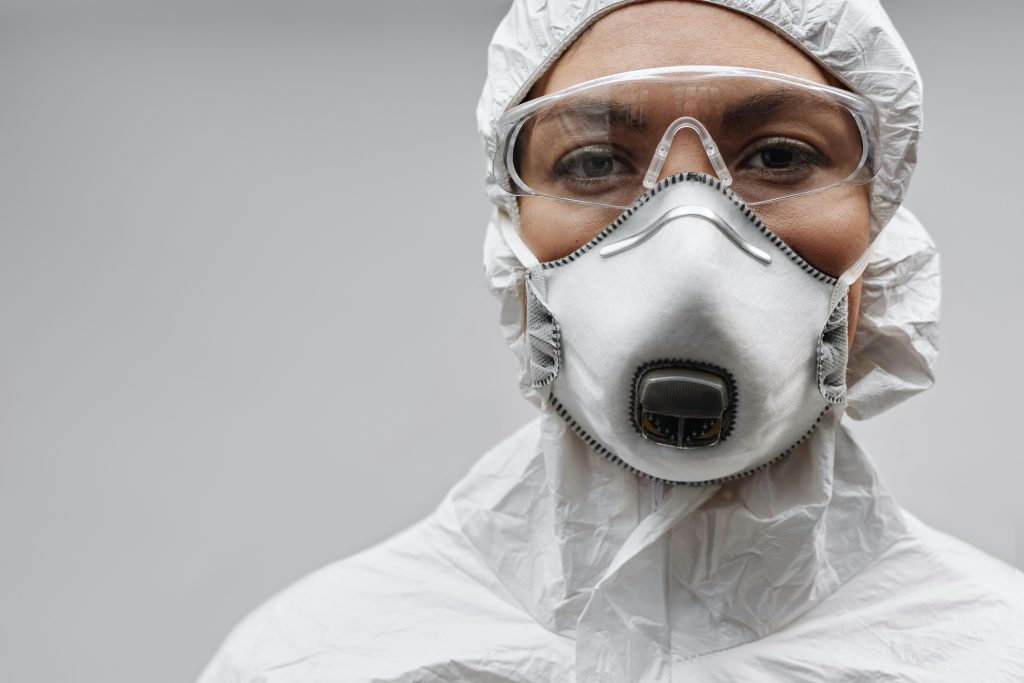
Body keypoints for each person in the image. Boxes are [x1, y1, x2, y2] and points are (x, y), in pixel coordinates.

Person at [198, 1, 1024, 681]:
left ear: (880, 241)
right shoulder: (316, 659)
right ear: (513, 246)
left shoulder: (985, 655)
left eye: (779, 154)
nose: (691, 241)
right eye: (594, 163)